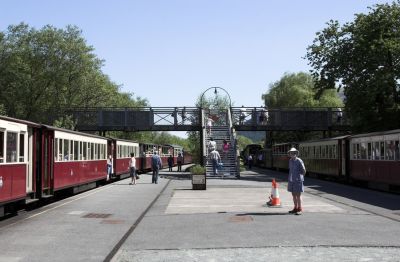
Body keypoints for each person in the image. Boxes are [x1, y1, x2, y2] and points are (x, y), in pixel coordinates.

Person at [287, 147, 306, 215]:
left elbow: (304, 170)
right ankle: (295, 208)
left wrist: (300, 177)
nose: (292, 154)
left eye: (294, 153)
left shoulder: (299, 160)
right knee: (293, 195)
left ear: (296, 154)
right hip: (291, 180)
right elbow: (290, 170)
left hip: (298, 180)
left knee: (298, 195)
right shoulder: (290, 161)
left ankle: (300, 208)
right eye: (291, 153)